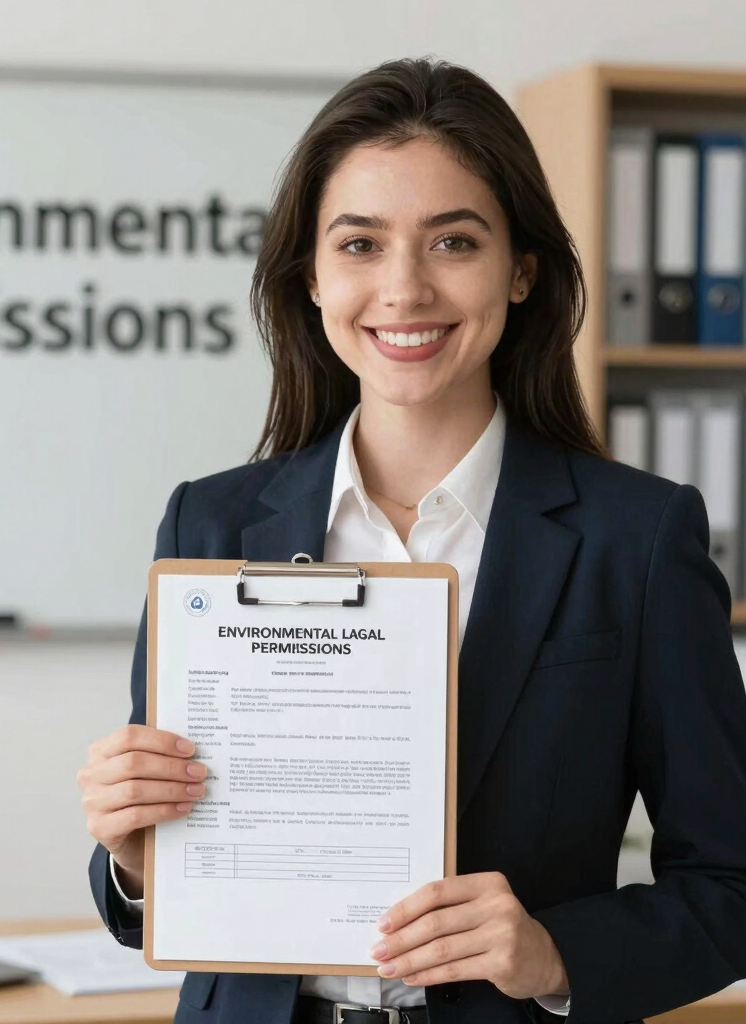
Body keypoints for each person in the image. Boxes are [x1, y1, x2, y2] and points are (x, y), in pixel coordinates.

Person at [77, 57, 746, 1024]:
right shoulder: (210, 524)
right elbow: (155, 889)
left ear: (521, 270)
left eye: (453, 242)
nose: (404, 288)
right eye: (360, 244)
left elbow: (730, 883)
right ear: (311, 278)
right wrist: (135, 859)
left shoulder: (633, 540)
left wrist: (554, 955)